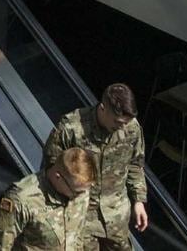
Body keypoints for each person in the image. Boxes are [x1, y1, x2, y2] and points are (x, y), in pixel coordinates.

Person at [42, 84, 148, 251]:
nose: (121, 127)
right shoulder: (71, 128)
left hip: (116, 216)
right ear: (103, 108)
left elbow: (135, 164)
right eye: (117, 122)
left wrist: (139, 201)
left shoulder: (131, 128)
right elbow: (51, 173)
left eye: (125, 123)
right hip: (81, 218)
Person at [0, 147, 98, 251]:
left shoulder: (80, 189)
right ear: (57, 177)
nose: (81, 195)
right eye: (76, 191)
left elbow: (79, 233)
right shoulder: (22, 199)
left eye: (86, 190)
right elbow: (0, 245)